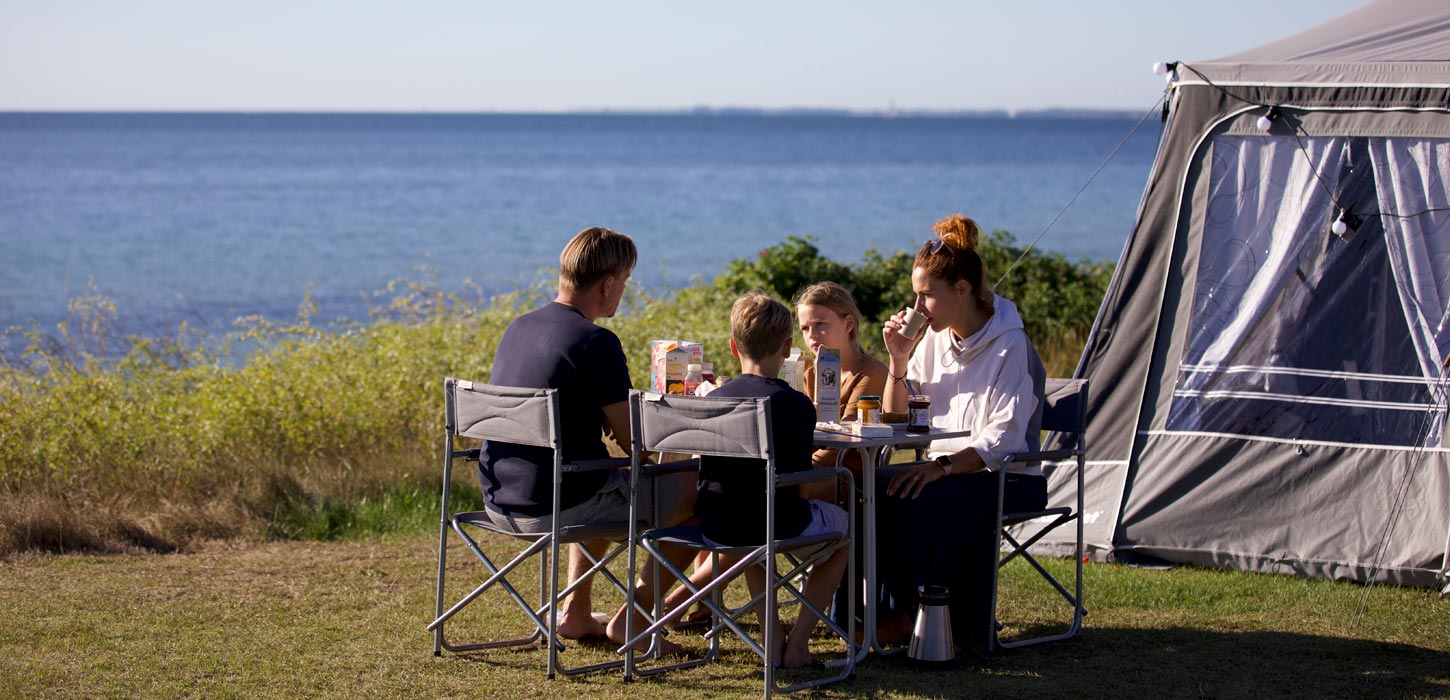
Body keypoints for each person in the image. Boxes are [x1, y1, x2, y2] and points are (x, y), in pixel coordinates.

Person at [480, 226, 694, 653]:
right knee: (701, 490)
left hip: (501, 498)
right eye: (625, 284)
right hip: (560, 504)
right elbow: (637, 443)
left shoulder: (518, 327)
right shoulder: (595, 341)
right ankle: (635, 619)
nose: (623, 293)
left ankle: (576, 612)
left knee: (605, 475)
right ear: (608, 284)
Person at [875, 214, 1047, 648]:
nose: (916, 308)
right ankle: (875, 614)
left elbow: (1004, 439)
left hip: (1008, 476)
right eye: (915, 295)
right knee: (867, 487)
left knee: (921, 492)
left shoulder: (1010, 345)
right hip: (947, 469)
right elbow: (897, 421)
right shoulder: (933, 341)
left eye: (926, 296)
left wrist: (941, 468)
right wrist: (897, 361)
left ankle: (932, 620)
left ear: (963, 290)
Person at [694, 292, 851, 668]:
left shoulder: (714, 400)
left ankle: (771, 639)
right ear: (786, 347)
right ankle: (797, 645)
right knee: (845, 533)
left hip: (717, 524)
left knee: (753, 538)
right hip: (778, 521)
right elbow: (799, 481)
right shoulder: (795, 405)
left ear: (734, 348)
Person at [794, 281, 889, 469]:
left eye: (820, 324)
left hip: (851, 477)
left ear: (848, 323)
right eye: (805, 328)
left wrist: (799, 469)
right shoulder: (811, 374)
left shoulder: (871, 373)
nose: (811, 335)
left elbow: (847, 438)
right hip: (814, 470)